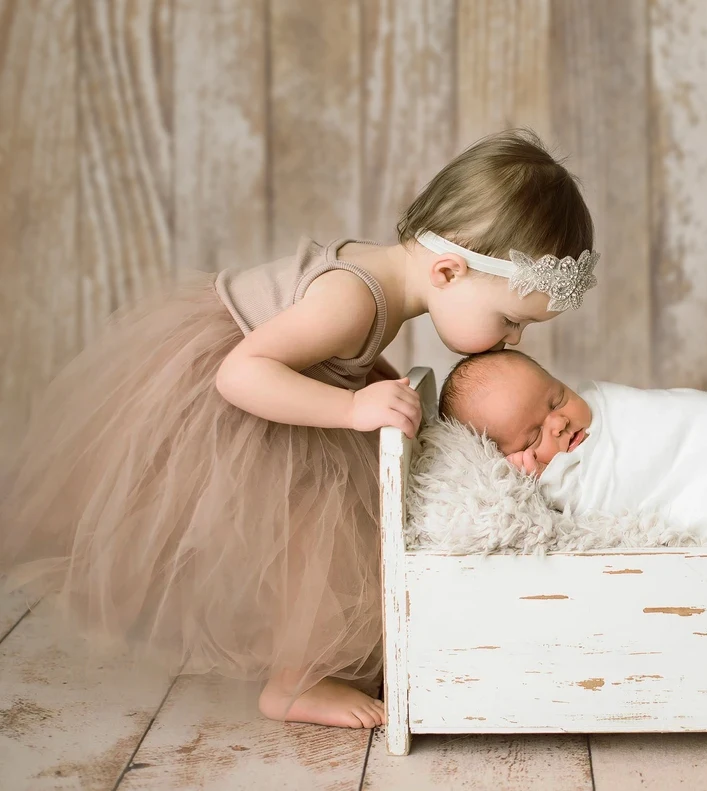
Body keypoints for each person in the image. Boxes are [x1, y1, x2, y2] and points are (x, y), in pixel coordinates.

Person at [0, 129, 597, 729]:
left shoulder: (383, 278)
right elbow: (239, 374)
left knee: (336, 527)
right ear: (448, 271)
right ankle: (294, 682)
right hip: (235, 403)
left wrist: (365, 385)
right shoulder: (352, 299)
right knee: (320, 533)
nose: (512, 341)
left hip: (272, 385)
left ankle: (322, 666)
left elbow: (336, 357)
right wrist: (350, 410)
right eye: (510, 320)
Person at [439, 349, 707, 539]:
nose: (559, 422)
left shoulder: (606, 406)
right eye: (534, 436)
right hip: (693, 463)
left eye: (557, 399)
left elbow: (651, 434)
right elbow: (582, 509)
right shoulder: (563, 466)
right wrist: (534, 479)